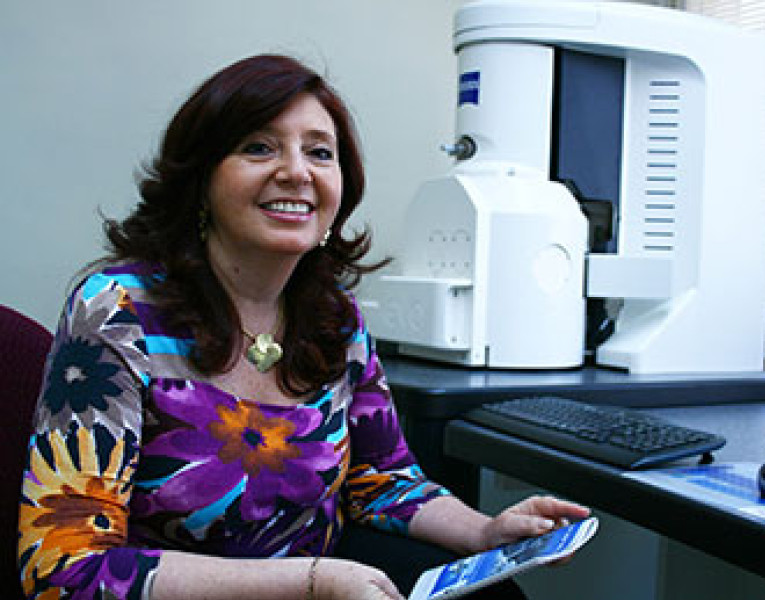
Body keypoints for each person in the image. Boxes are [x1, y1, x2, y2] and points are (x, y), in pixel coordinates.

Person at [17, 54, 590, 600]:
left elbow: (381, 478)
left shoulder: (334, 318)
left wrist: (486, 531)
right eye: (258, 147)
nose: (296, 172)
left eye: (319, 152)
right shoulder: (117, 311)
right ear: (201, 180)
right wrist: (311, 583)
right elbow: (63, 568)